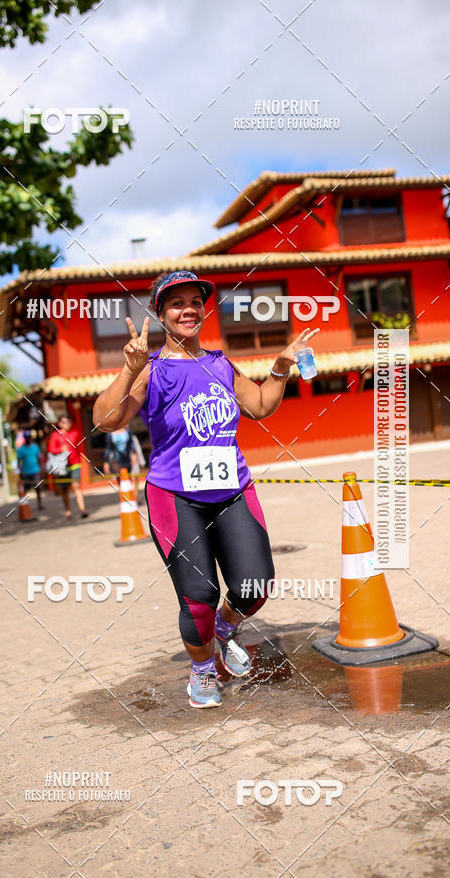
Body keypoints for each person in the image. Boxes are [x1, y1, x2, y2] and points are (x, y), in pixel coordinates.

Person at [93, 270, 319, 709]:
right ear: (161, 314)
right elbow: (107, 421)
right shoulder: (151, 371)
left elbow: (260, 406)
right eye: (176, 303)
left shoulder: (219, 364)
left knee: (255, 585)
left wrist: (280, 366)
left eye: (195, 302)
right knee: (198, 596)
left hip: (233, 490)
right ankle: (201, 672)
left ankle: (225, 625)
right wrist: (128, 370)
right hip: (175, 496)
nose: (188, 310)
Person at [47, 415, 89, 519]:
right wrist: (60, 450)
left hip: (75, 464)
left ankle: (82, 510)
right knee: (65, 489)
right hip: (62, 467)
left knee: (76, 486)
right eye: (65, 422)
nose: (67, 425)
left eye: (69, 422)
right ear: (60, 424)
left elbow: (80, 448)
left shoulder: (75, 434)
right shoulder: (55, 436)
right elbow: (51, 450)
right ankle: (68, 511)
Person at [17, 431, 43, 510]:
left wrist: (40, 469)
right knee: (26, 490)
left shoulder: (35, 447)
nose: (28, 438)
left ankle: (39, 504)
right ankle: (25, 505)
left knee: (38, 488)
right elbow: (19, 461)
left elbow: (39, 458)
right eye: (26, 437)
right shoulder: (21, 449)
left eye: (29, 437)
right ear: (25, 438)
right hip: (26, 472)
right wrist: (21, 471)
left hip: (36, 471)